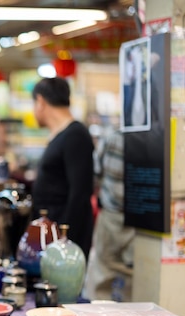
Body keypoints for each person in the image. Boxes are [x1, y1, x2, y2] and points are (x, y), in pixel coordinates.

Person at [31, 77, 94, 259]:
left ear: (41, 102)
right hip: (52, 233)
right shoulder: (61, 135)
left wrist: (64, 238)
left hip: (64, 241)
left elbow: (80, 193)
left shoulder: (76, 135)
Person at [83, 126, 135, 300]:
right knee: (131, 274)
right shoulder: (153, 139)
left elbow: (94, 174)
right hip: (139, 220)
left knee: (102, 271)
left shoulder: (113, 137)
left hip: (111, 214)